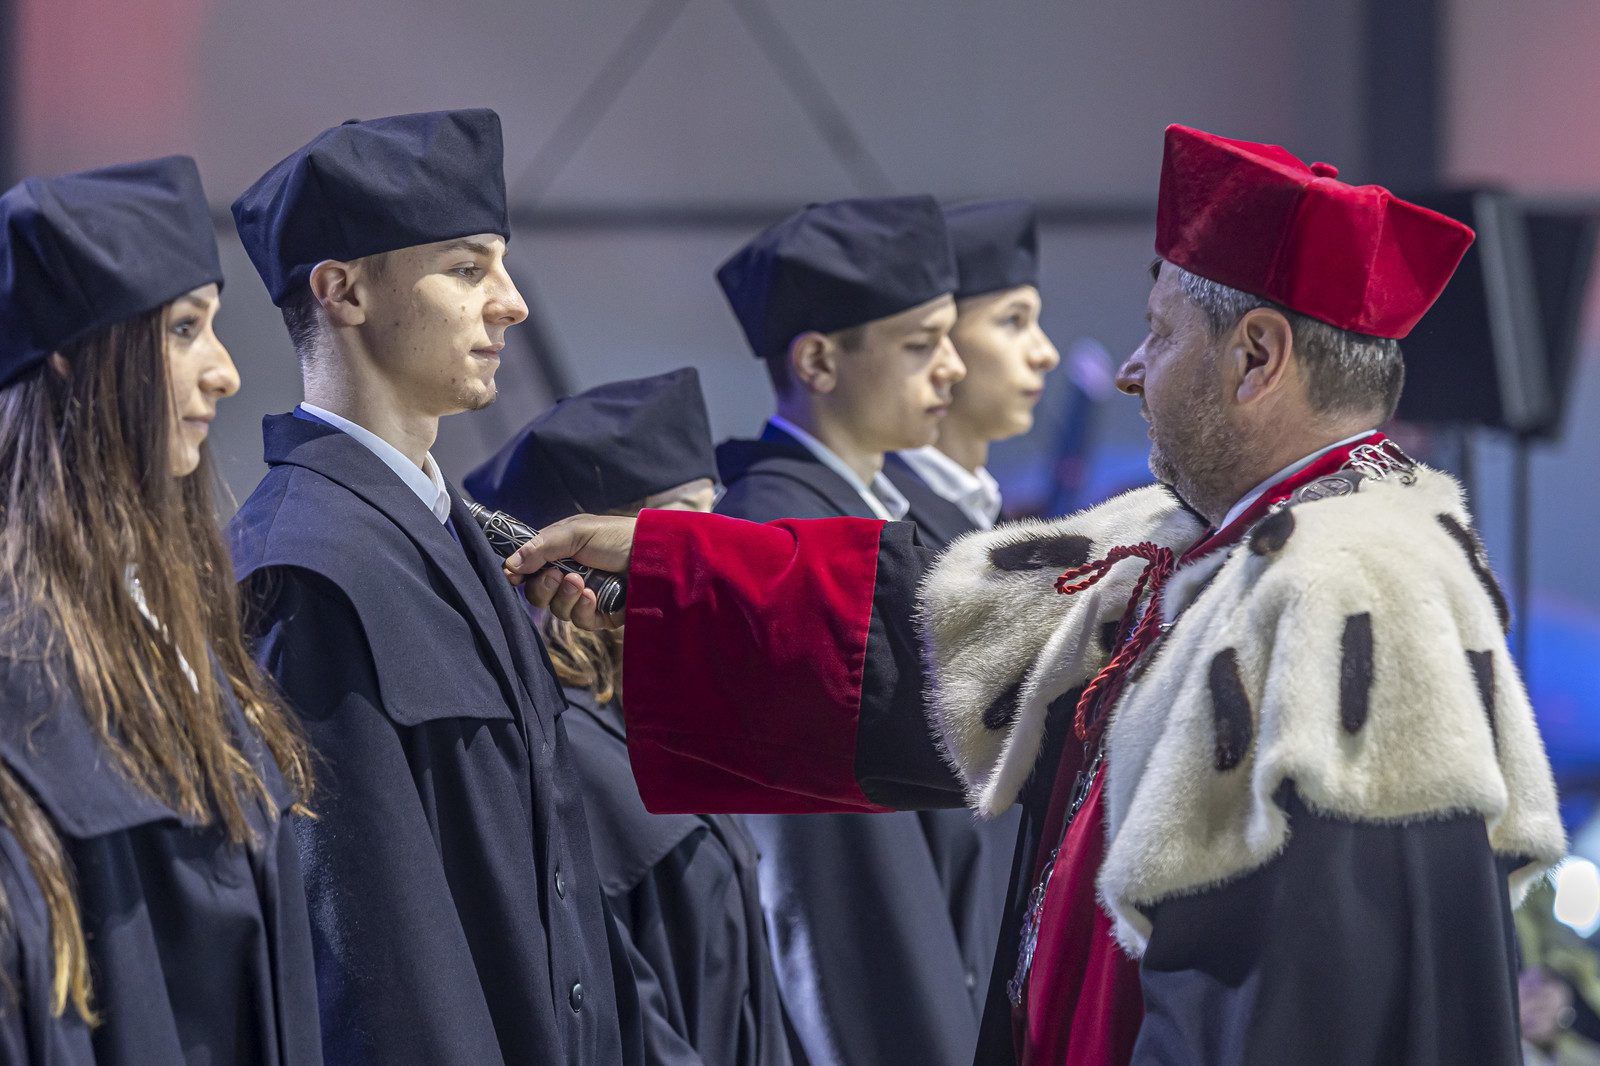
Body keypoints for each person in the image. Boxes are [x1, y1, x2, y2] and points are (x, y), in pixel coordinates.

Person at [510, 123, 1566, 1065]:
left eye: (1161, 334)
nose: (1130, 370)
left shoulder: (1349, 603)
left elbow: (1294, 1011)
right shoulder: (1205, 551)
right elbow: (924, 634)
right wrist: (668, 568)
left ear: (1256, 356)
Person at [227, 109, 642, 1066]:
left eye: (501, 266)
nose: (511, 303)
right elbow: (377, 962)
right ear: (343, 290)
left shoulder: (450, 538)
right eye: (465, 268)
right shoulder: (308, 566)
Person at [0, 157, 320, 1063]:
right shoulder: (23, 665)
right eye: (183, 330)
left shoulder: (174, 620)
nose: (225, 371)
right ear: (72, 353)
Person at [712, 195, 1014, 1066]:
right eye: (921, 343)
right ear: (817, 360)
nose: (952, 368)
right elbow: (845, 901)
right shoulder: (778, 544)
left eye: (951, 337)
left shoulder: (887, 521)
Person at [466, 366, 793, 1066]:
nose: (716, 552)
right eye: (689, 525)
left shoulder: (661, 725)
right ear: (590, 560)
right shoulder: (578, 759)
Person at [885, 199, 1060, 547]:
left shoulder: (985, 505)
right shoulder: (885, 514)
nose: (1046, 355)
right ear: (935, 335)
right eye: (1013, 320)